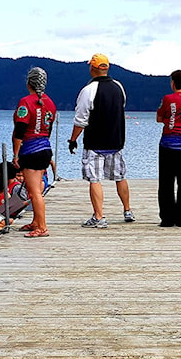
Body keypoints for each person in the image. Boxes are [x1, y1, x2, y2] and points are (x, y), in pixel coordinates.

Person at [68, 53, 134, 229]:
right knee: (120, 176)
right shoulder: (119, 87)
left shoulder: (88, 90)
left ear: (93, 68)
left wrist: (73, 140)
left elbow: (81, 120)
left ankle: (99, 217)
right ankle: (127, 210)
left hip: (96, 142)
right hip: (116, 140)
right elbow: (121, 107)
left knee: (94, 179)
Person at [12, 66, 56, 238]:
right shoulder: (50, 103)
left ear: (28, 82)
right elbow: (49, 128)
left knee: (34, 191)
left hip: (30, 150)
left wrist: (16, 154)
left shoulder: (26, 102)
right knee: (35, 188)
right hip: (45, 148)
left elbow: (20, 130)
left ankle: (42, 227)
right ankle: (36, 221)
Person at [155, 70, 181, 227]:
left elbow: (159, 118)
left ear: (173, 82)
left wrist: (170, 119)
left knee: (166, 182)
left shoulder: (167, 99)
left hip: (169, 144)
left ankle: (167, 219)